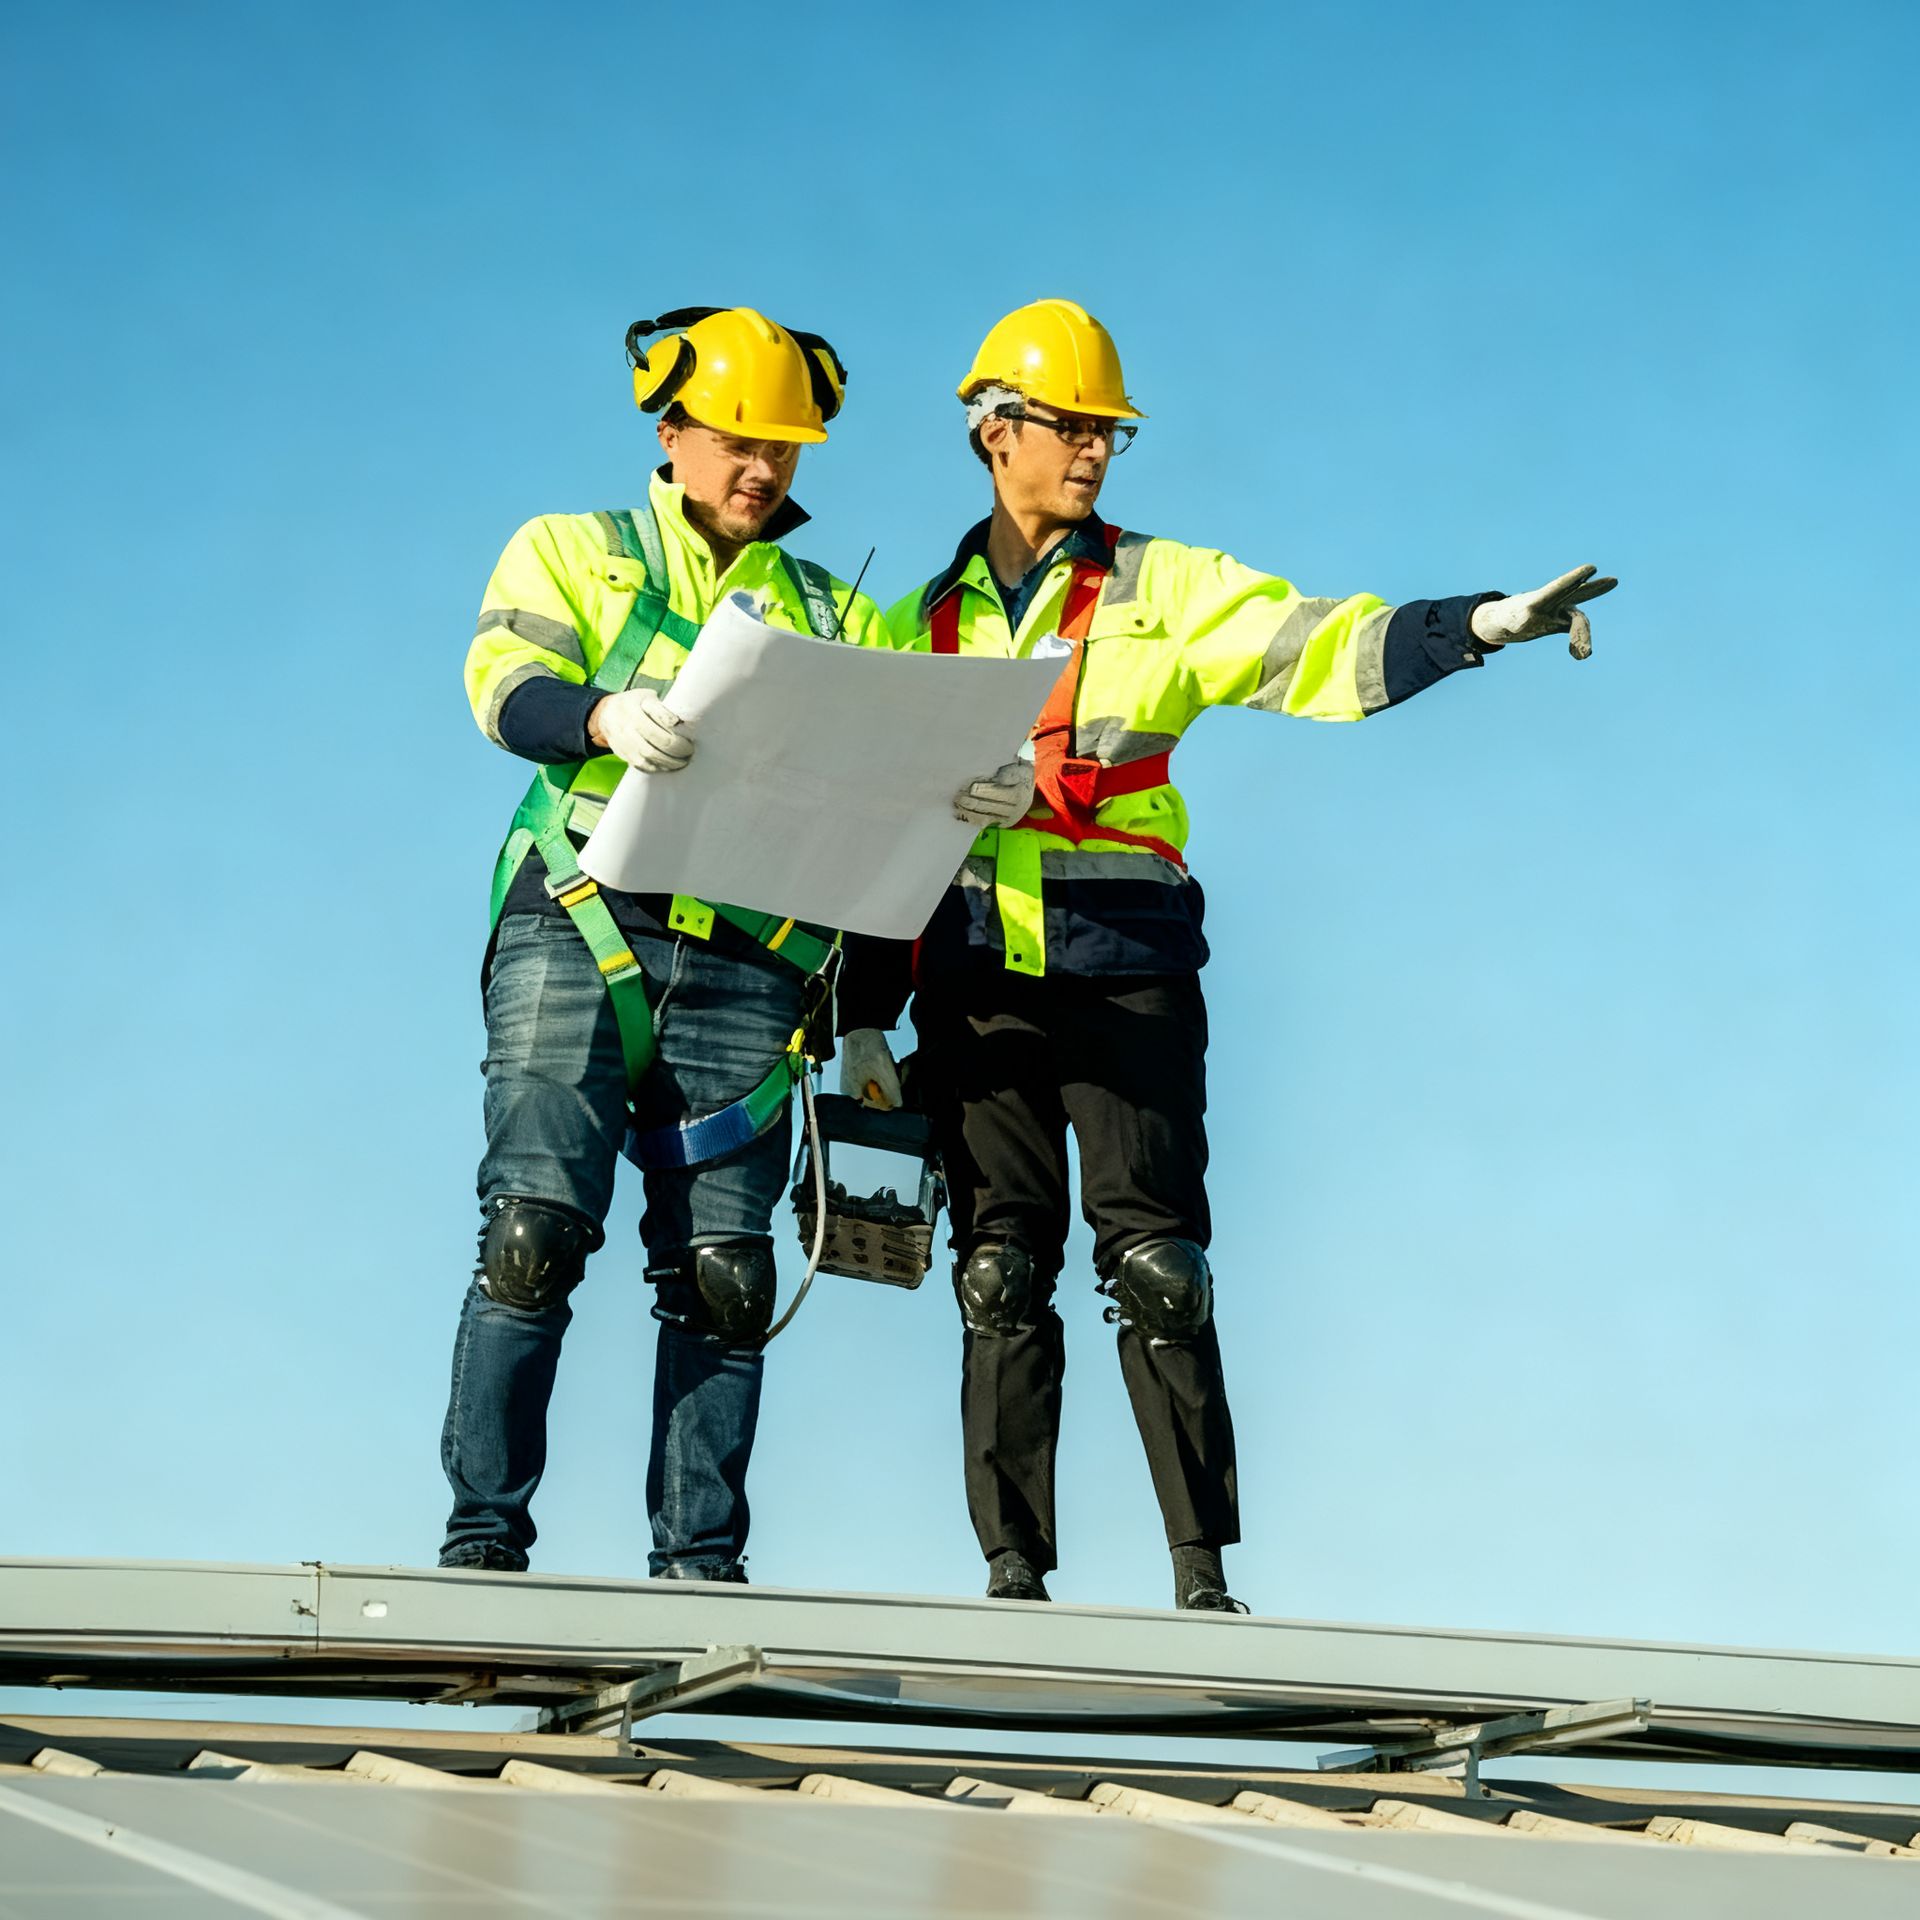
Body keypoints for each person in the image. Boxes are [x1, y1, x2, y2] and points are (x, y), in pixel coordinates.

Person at [839, 299, 1615, 1611]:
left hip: (1126, 966)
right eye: (1072, 426)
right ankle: (1013, 1575)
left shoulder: (1166, 586)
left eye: (1109, 433)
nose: (1094, 452)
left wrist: (1477, 625)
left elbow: (1323, 645)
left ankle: (1200, 1578)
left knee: (1159, 1267)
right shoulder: (906, 624)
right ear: (994, 432)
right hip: (970, 979)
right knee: (997, 1270)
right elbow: (865, 833)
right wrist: (862, 1016)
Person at [438, 306, 893, 1581]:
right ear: (673, 430)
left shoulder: (830, 605)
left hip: (753, 959)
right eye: (741, 443)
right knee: (532, 1230)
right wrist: (594, 713)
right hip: (581, 918)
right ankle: (482, 1550)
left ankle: (700, 1572)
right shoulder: (572, 550)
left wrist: (946, 805)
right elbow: (501, 688)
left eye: (787, 451)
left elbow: (863, 811)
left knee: (728, 1276)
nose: (765, 471)